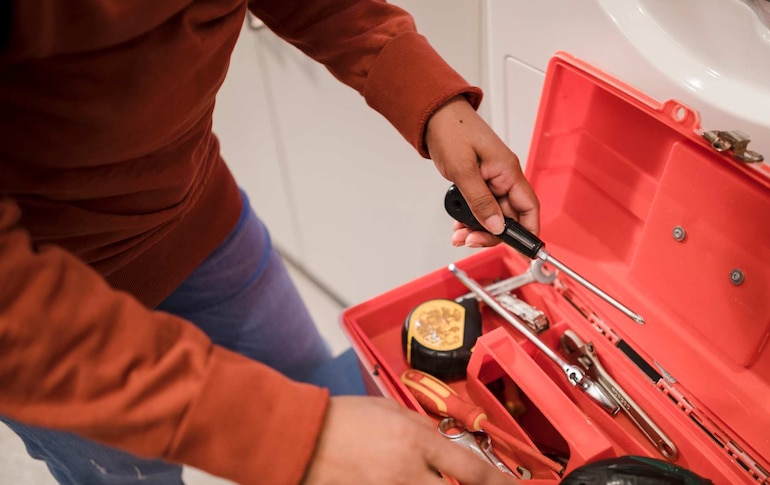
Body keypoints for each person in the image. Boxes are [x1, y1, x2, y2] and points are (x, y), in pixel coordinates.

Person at [0, 1, 540, 484]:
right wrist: (293, 438)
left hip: (204, 225)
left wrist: (433, 101)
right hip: (47, 319)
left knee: (324, 391)